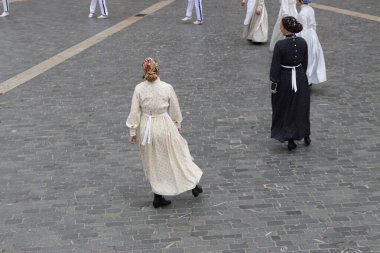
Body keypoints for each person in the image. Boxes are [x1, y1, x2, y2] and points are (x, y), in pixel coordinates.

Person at [126, 58, 203, 208]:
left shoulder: (139, 89)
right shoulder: (167, 87)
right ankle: (193, 184)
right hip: (164, 126)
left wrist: (132, 130)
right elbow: (175, 109)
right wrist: (177, 123)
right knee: (178, 156)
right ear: (158, 70)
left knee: (153, 161)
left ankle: (158, 195)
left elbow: (134, 112)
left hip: (146, 128)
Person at [270, 16, 311, 151]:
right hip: (300, 77)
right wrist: (301, 76)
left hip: (285, 79)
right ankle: (305, 134)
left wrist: (274, 84)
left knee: (286, 108)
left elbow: (275, 67)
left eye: (281, 25)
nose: (279, 27)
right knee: (301, 107)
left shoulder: (280, 45)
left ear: (285, 28)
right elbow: (305, 63)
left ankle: (290, 138)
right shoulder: (302, 42)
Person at [296, 0, 326, 85]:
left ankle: (306, 80)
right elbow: (313, 25)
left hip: (306, 37)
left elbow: (303, 30)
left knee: (306, 58)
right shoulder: (310, 9)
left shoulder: (302, 13)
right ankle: (309, 79)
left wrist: (301, 42)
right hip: (312, 35)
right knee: (312, 58)